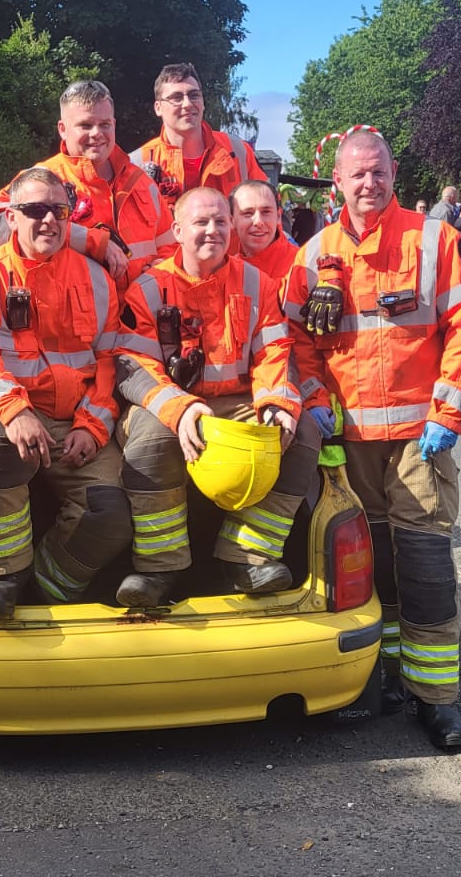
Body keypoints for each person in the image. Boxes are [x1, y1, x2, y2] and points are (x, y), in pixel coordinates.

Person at [284, 127, 461, 751]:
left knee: (426, 568)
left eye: (378, 171)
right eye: (357, 174)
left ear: (393, 172)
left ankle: (438, 702)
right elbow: (295, 343)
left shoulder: (435, 240)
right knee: (368, 569)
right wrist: (316, 402)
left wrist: (447, 417)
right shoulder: (312, 254)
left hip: (415, 443)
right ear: (339, 182)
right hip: (348, 446)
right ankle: (382, 676)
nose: (368, 183)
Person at [113, 187, 320, 607]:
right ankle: (159, 569)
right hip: (166, 403)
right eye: (201, 222)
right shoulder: (148, 289)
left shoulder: (257, 284)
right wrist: (180, 409)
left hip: (238, 402)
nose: (213, 231)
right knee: (153, 437)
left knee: (303, 434)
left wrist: (277, 404)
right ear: (176, 230)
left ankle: (248, 558)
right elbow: (132, 363)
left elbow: (274, 351)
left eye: (221, 222)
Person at [0, 168, 130, 619]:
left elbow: (110, 361)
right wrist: (13, 408)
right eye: (34, 209)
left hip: (74, 423)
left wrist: (92, 425)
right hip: (12, 416)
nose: (48, 219)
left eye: (58, 210)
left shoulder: (97, 279)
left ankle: (47, 587)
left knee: (111, 516)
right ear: (11, 217)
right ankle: (3, 577)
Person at [0, 79, 174, 288]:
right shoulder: (42, 179)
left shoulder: (142, 183)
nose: (97, 133)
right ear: (63, 129)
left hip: (139, 316)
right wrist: (87, 240)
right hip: (74, 316)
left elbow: (172, 247)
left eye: (105, 124)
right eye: (85, 125)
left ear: (114, 124)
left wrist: (160, 271)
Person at [129, 62, 266, 202]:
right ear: (158, 108)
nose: (187, 104)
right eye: (176, 98)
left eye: (194, 95)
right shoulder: (136, 165)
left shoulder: (239, 152)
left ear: (203, 102)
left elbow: (270, 209)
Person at [231, 178, 298, 286]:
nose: (258, 221)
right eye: (248, 213)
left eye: (266, 212)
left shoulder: (302, 266)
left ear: (278, 217)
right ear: (232, 220)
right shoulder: (225, 272)